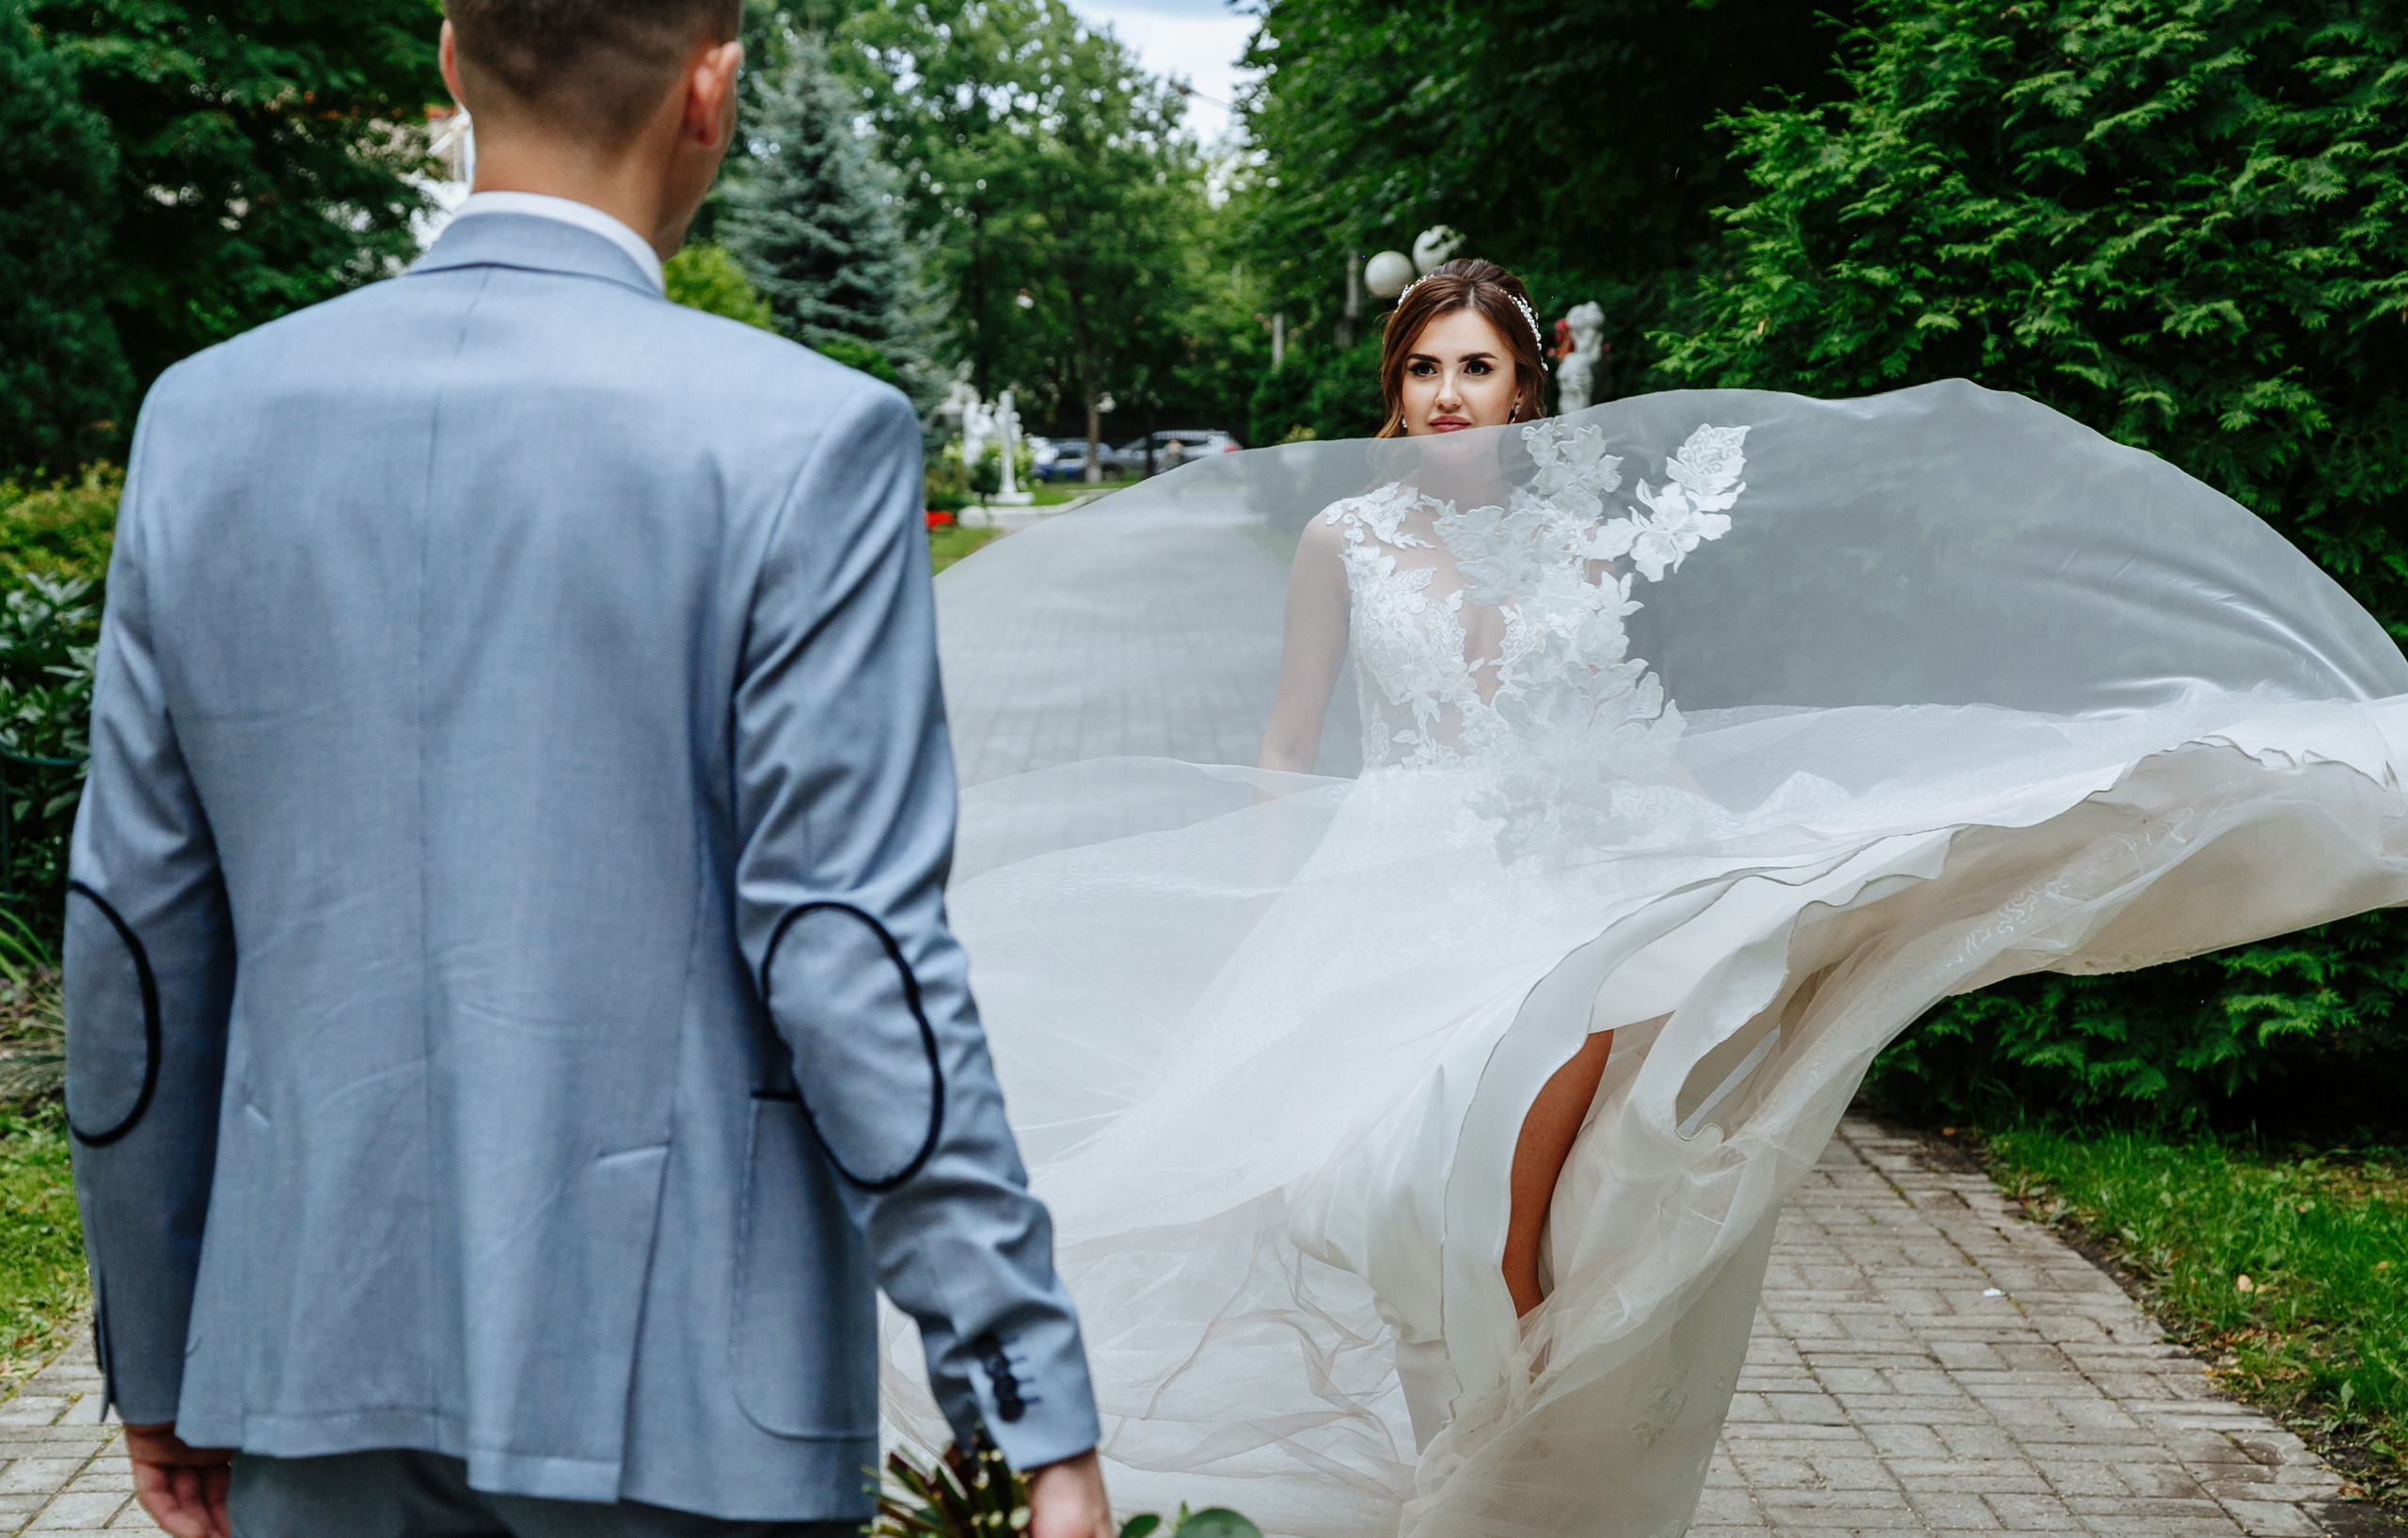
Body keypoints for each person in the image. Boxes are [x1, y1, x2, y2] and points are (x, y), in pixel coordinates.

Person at [910, 257, 2408, 1533]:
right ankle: (1483, 1411)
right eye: (1423, 368)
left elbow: (1624, 721)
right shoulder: (1344, 540)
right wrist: (1267, 920)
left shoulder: (1572, 540)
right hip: (1392, 882)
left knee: (1569, 1112)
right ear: (1396, 389)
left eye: (1476, 367)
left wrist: (1718, 838)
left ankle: (1533, 1408)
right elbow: (1285, 747)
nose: (1446, 393)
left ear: (1522, 391)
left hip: (1550, 868)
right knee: (1424, 1177)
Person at [63, 3, 1111, 1535]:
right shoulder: (806, 440)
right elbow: (848, 951)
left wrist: (156, 1361)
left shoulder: (202, 422)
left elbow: (129, 944)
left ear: (449, 60)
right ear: (711, 89)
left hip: (307, 1368)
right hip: (689, 1408)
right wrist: (1023, 1394)